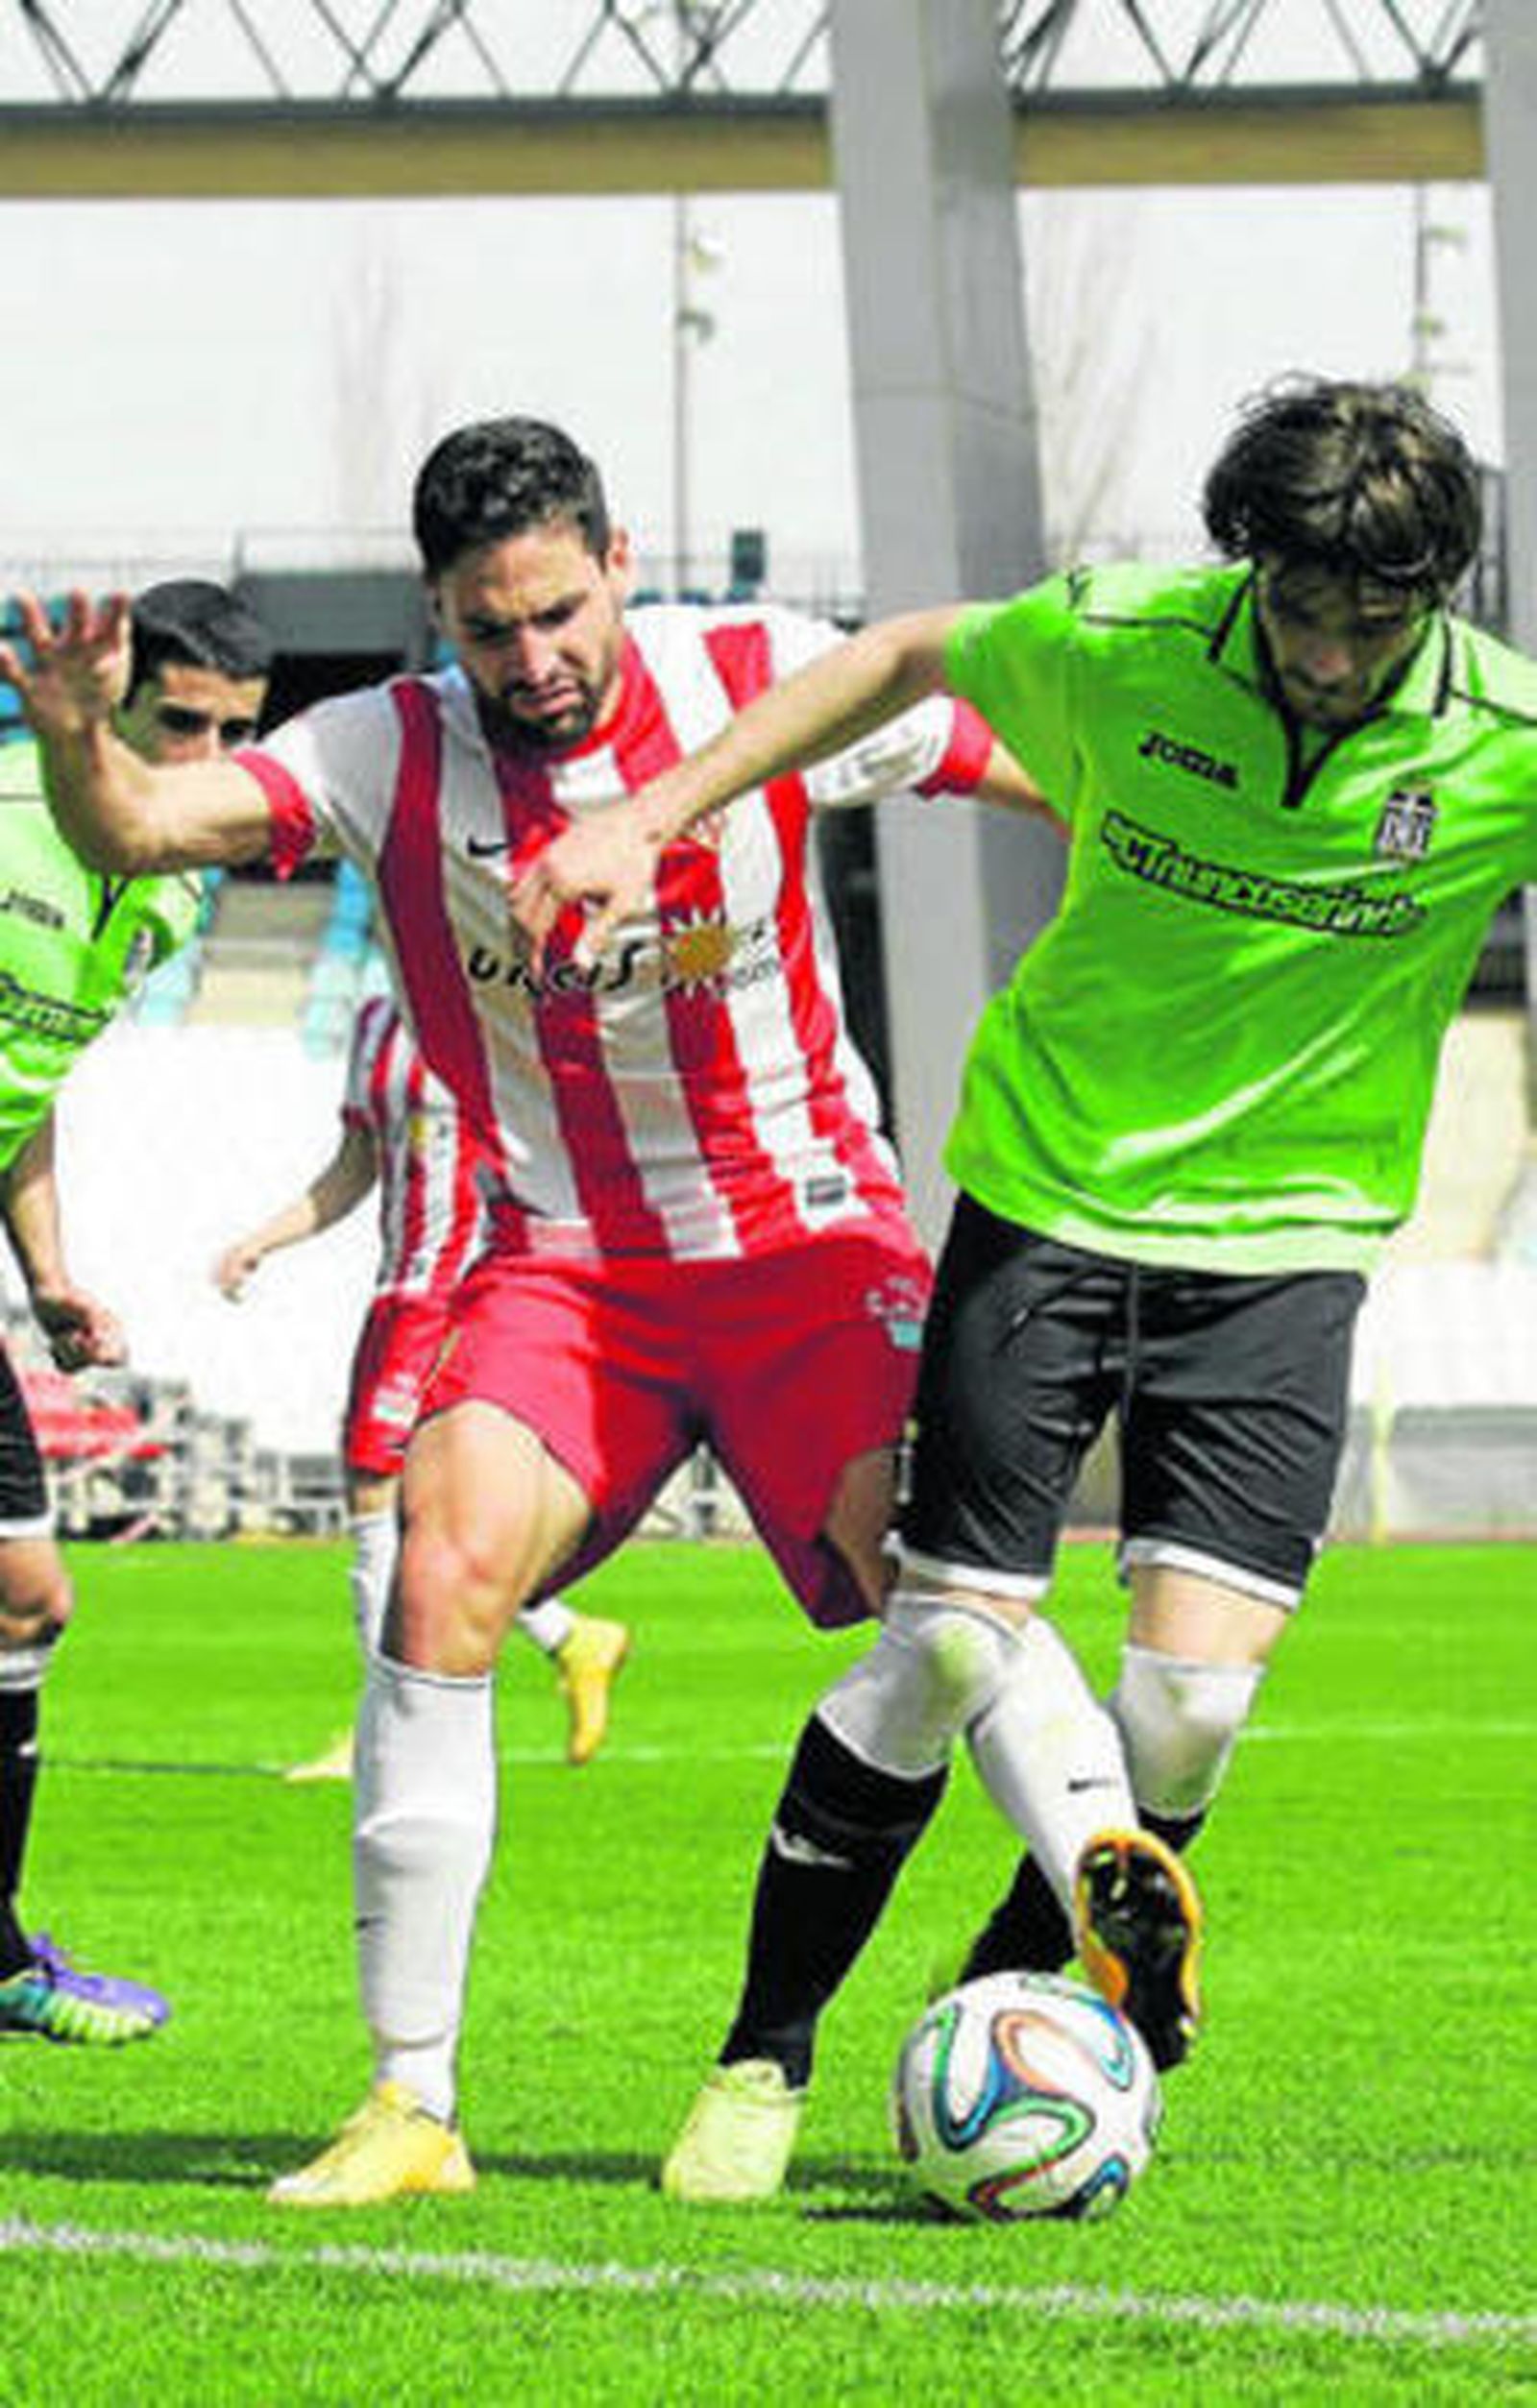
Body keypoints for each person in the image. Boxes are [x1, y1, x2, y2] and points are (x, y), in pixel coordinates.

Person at [0, 414, 1074, 2207]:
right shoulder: (384, 746)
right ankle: (410, 2103)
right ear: (438, 612)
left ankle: (1090, 1918)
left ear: (619, 562)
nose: (535, 658)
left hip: (805, 1240)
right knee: (437, 1572)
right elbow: (140, 824)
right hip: (567, 1263)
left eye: (561, 610)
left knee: (938, 1595)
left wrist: (1164, 861)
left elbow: (993, 755)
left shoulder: (756, 673)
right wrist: (69, 736)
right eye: (489, 626)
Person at [511, 374, 1537, 2200]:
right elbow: (901, 654)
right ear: (1251, 569)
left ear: (1435, 596)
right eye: (1299, 610)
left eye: (1369, 623)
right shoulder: (1126, 640)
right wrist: (645, 815)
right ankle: (762, 2052)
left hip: (1286, 1248)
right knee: (946, 1639)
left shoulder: (1505, 743)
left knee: (1194, 1707)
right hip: (1051, 1200)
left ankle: (1034, 1965)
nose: (1325, 656)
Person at [0, 576, 274, 2043]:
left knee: (23, 1596)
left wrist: (47, 1271)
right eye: (179, 723)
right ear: (110, 700)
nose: (203, 761)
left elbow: (24, 1083)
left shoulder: (172, 885)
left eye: (233, 733)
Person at [213, 989, 631, 1775]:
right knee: (413, 1508)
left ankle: (383, 1728)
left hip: (466, 1284)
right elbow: (356, 1164)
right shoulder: (375, 1020)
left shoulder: (495, 1006)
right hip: (398, 1290)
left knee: (376, 1488)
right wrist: (263, 1240)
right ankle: (571, 1637)